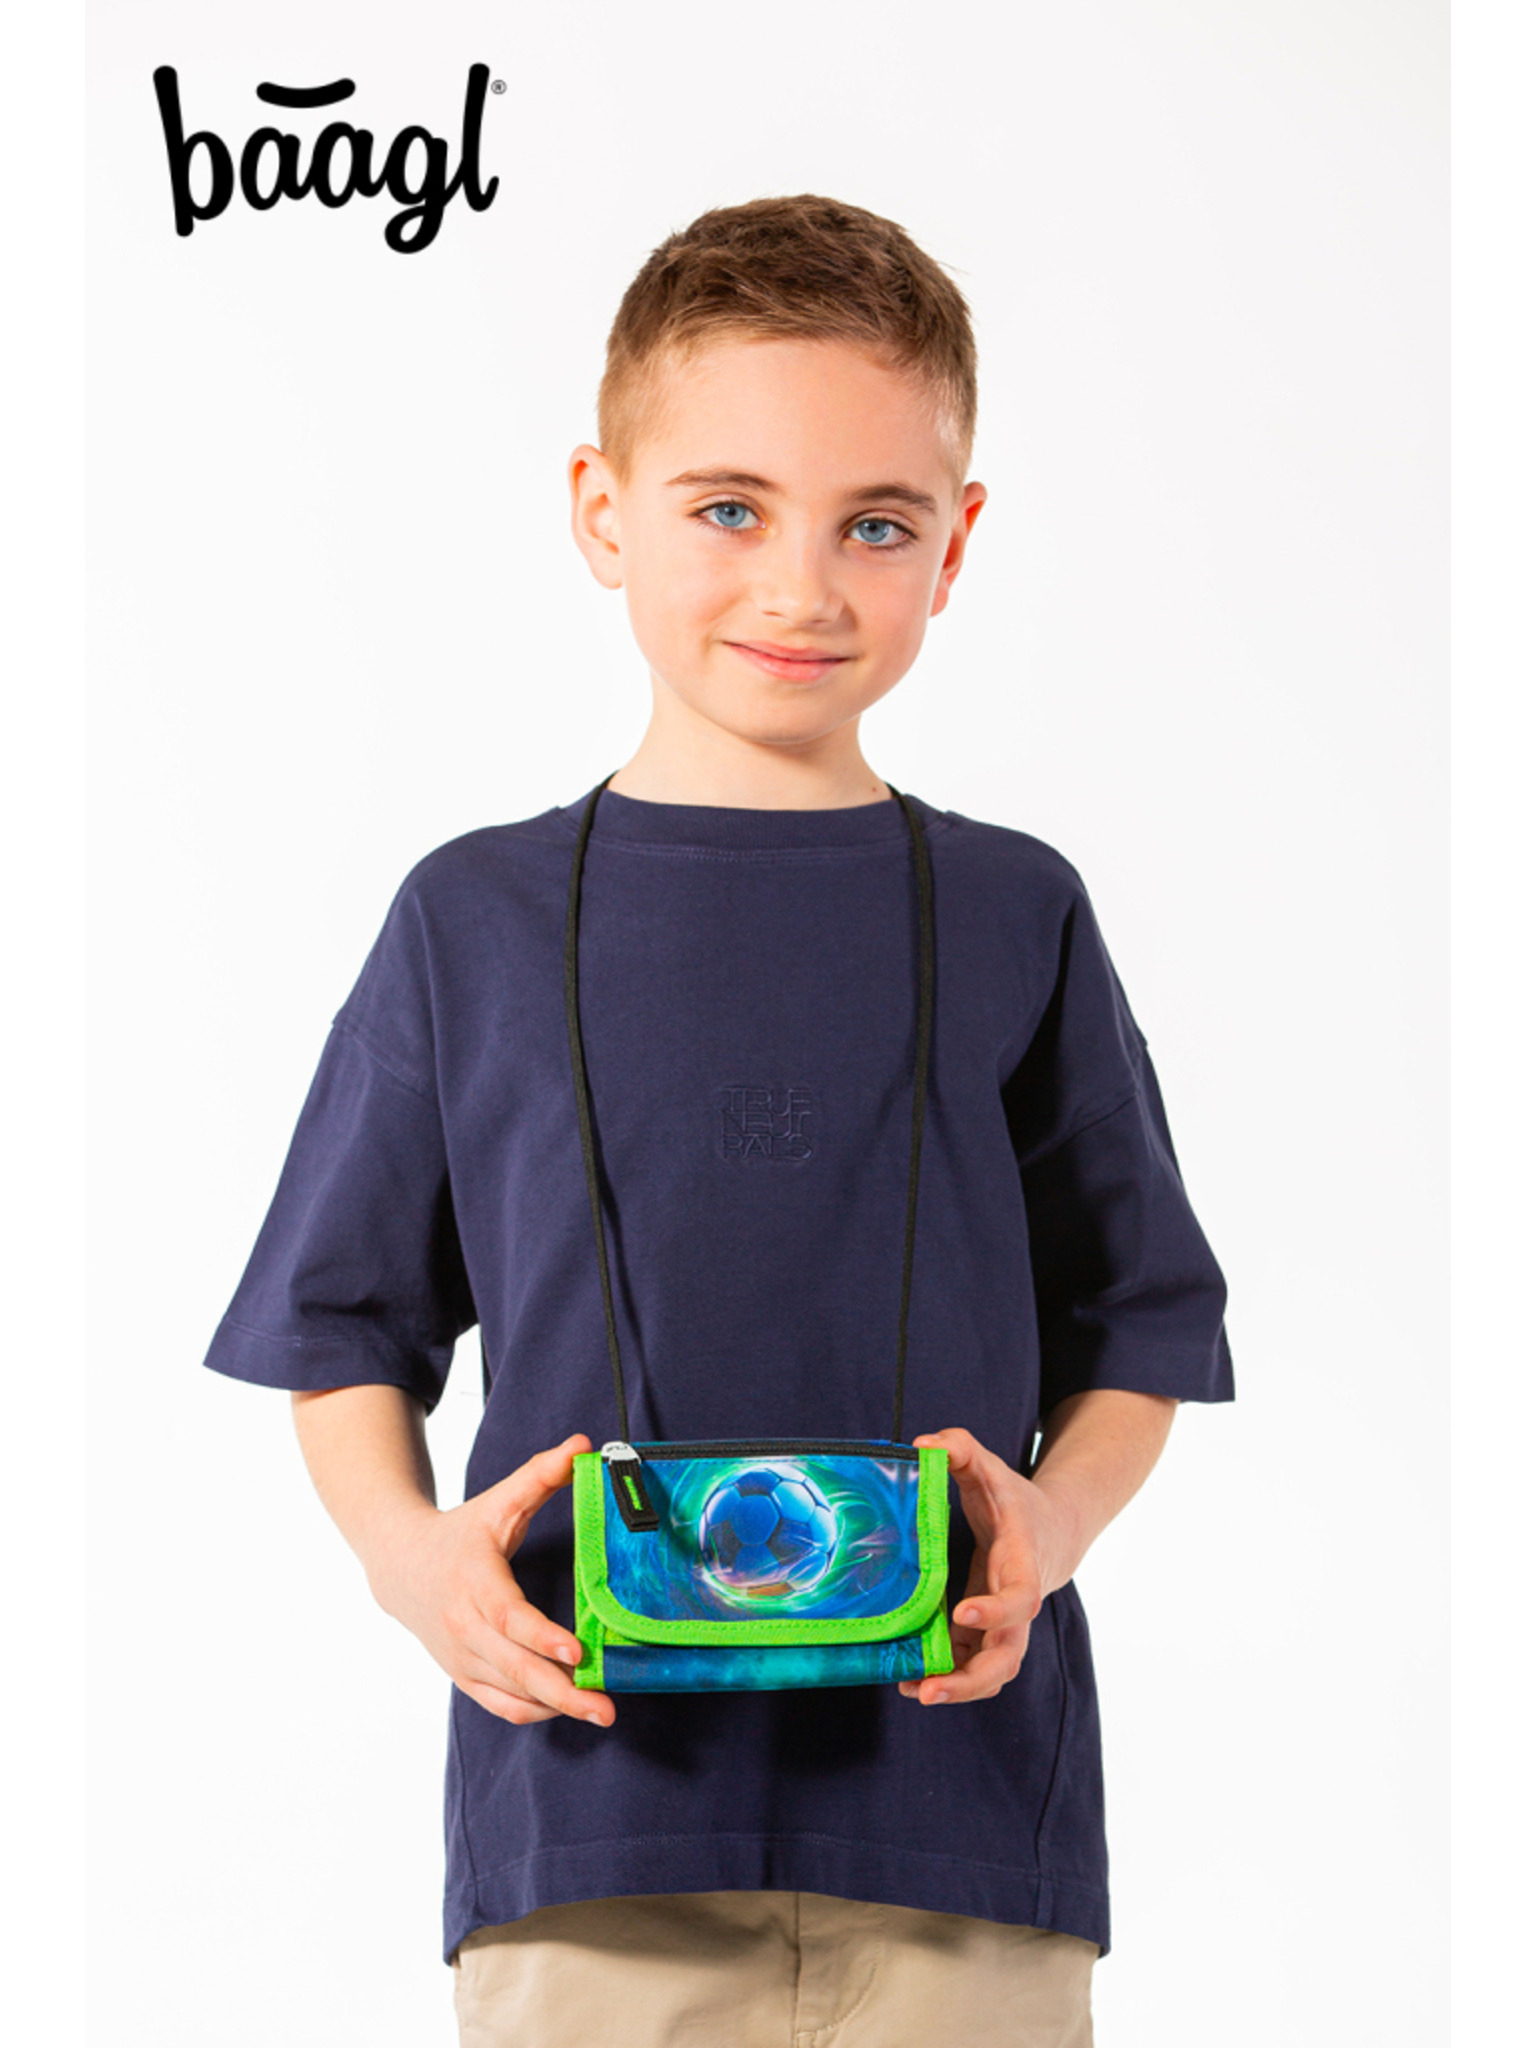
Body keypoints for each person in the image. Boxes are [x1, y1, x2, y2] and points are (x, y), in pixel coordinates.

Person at [204, 193, 1234, 2047]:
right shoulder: (472, 918)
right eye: (730, 509)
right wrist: (408, 1560)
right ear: (604, 510)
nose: (801, 587)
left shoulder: (1017, 911)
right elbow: (340, 1323)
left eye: (876, 524)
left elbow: (1141, 1320)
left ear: (956, 543)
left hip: (957, 1815)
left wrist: (1055, 1525)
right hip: (588, 1817)